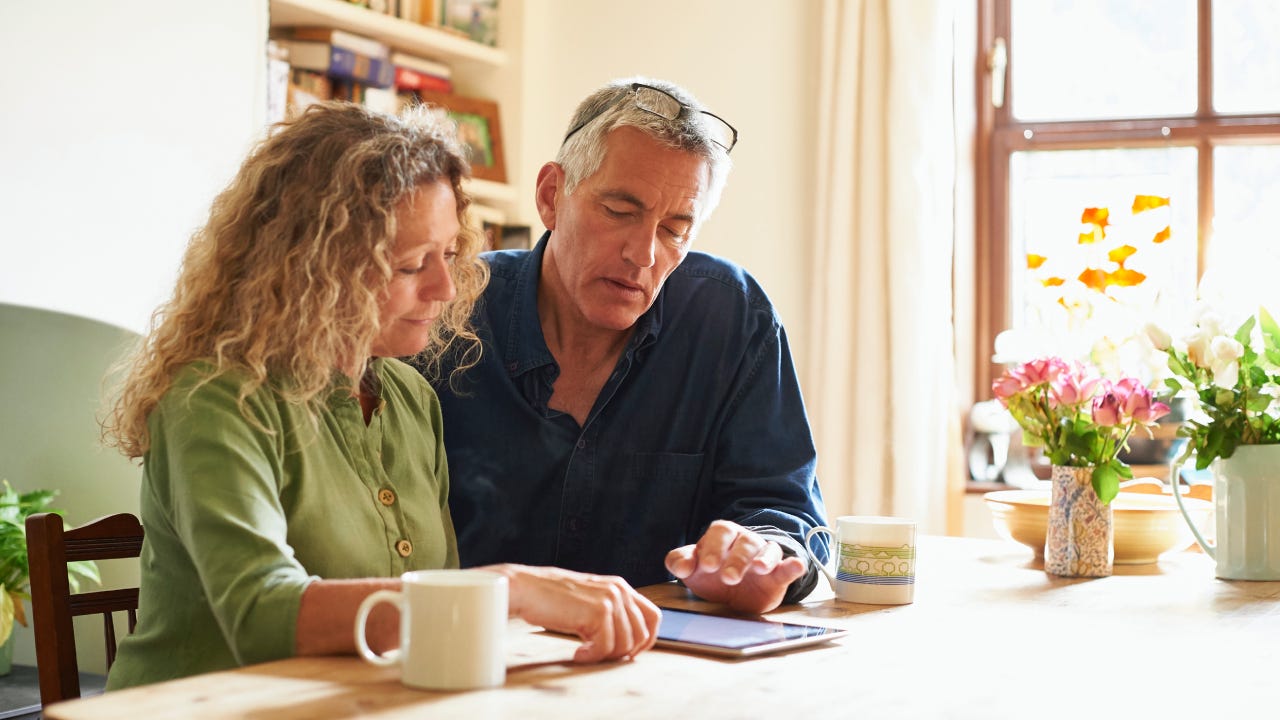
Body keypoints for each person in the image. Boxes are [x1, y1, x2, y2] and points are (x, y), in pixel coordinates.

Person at [100, 102, 659, 690]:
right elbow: (263, 614)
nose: (446, 287)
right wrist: (508, 591)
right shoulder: (215, 400)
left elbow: (429, 608)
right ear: (316, 267)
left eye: (448, 255)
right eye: (414, 264)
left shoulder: (411, 397)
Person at [424, 78, 828, 615]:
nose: (642, 254)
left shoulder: (731, 318)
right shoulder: (448, 309)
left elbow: (783, 509)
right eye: (619, 210)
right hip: (465, 655)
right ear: (551, 196)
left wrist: (762, 558)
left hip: (657, 668)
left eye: (674, 229)